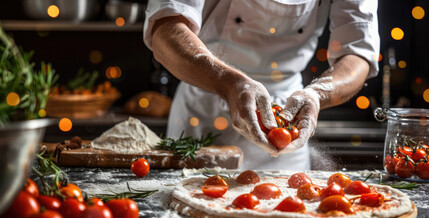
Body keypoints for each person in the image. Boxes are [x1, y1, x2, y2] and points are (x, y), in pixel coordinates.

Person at [143, 0, 380, 170]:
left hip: (287, 127)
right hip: (203, 111)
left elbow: (357, 54)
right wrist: (228, 82)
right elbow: (166, 30)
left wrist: (317, 95)